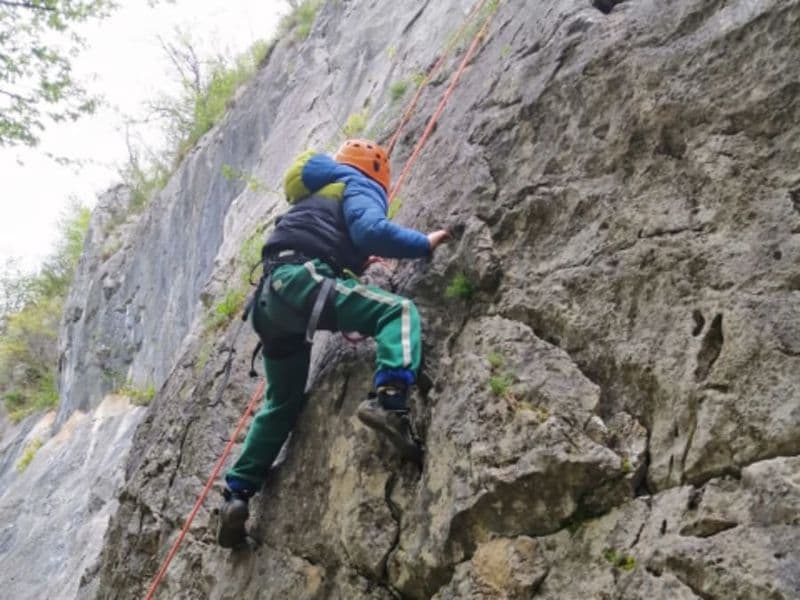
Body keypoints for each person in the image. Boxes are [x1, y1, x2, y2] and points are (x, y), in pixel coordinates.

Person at [217, 139, 449, 548]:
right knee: (398, 313)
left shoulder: (318, 189)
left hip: (270, 302)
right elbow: (371, 230)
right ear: (376, 171)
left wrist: (355, 263)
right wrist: (421, 243)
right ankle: (390, 401)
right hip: (304, 282)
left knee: (281, 404)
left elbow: (332, 237)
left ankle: (237, 493)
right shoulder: (359, 182)